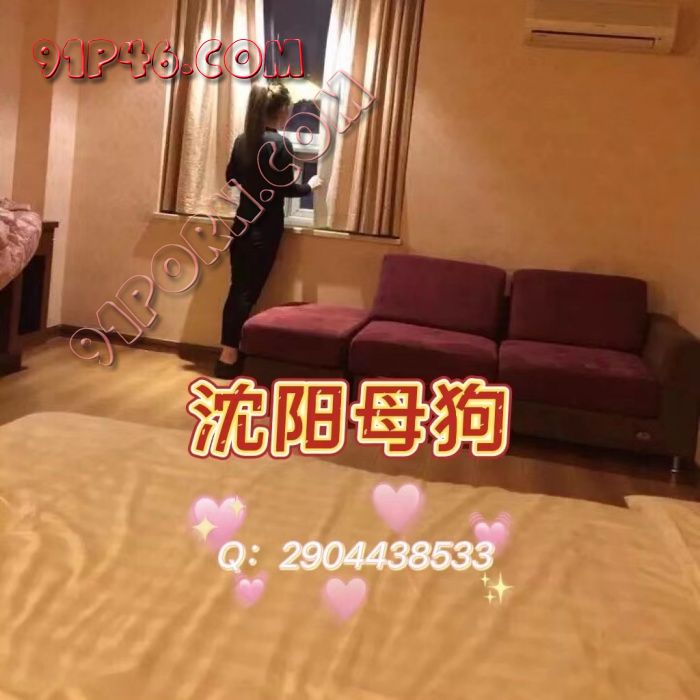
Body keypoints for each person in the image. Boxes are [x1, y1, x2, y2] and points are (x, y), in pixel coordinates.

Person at [215, 82, 322, 379]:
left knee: (238, 289)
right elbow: (285, 187)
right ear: (283, 110)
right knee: (247, 293)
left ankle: (227, 354)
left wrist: (253, 185)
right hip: (265, 229)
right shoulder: (280, 144)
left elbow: (231, 177)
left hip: (242, 224)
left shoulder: (243, 140)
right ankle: (229, 356)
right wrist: (309, 186)